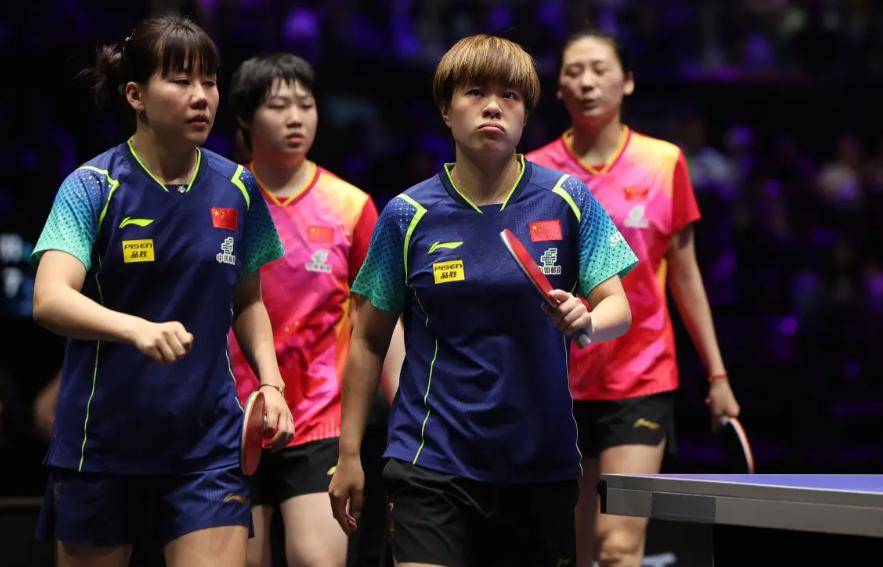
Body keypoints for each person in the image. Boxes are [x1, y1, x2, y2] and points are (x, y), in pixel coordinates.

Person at [329, 34, 637, 566]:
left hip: (538, 465)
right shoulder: (406, 215)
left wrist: (586, 318)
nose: (493, 106)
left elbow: (619, 309)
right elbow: (369, 340)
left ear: (525, 114)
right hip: (431, 459)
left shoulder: (567, 200)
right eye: (475, 93)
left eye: (509, 96)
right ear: (446, 111)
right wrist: (349, 453)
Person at [30, 14, 293, 567]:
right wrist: (137, 330)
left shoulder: (238, 187)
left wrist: (271, 383)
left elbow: (248, 301)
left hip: (206, 443)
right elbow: (49, 299)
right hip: (102, 445)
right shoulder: (92, 187)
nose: (201, 97)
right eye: (181, 81)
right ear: (136, 95)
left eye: (209, 81)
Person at [528, 29, 741, 567]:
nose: (586, 82)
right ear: (559, 89)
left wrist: (717, 375)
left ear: (627, 82)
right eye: (574, 72)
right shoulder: (535, 173)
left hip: (641, 376)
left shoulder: (664, 162)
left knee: (618, 546)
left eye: (599, 69)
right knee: (574, 550)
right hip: (559, 382)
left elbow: (686, 276)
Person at [227, 53, 404, 567]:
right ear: (245, 118)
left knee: (316, 558)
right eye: (278, 105)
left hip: (321, 417)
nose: (295, 118)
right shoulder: (223, 198)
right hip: (233, 414)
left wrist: (407, 404)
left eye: (305, 105)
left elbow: (379, 317)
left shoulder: (351, 205)